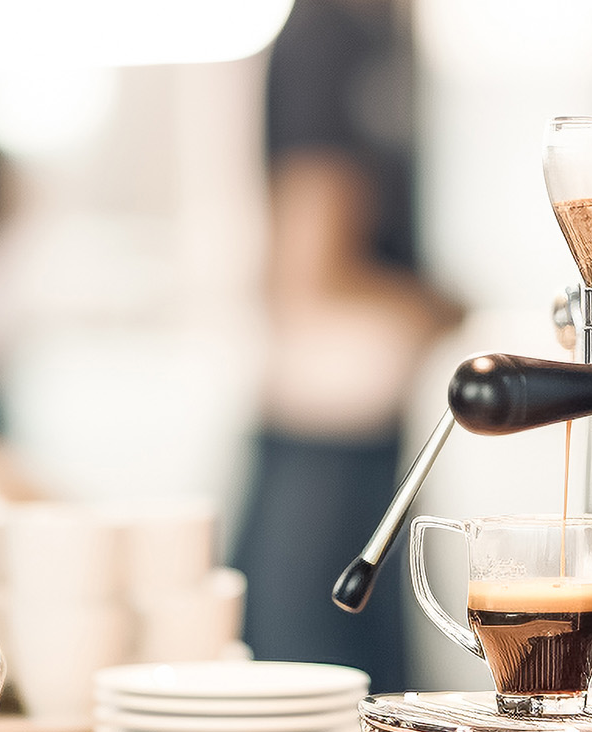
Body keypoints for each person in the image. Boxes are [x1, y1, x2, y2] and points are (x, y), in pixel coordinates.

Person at [233, 0, 460, 691]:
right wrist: (442, 308)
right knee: (320, 712)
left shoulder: (380, 32)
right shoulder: (328, 34)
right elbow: (310, 276)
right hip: (321, 449)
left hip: (362, 435)